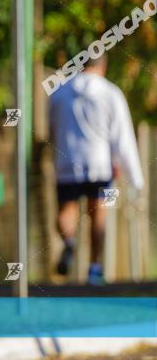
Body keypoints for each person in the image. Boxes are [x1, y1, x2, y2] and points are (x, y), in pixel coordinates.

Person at [49, 54, 144, 285]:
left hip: (67, 163)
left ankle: (69, 244)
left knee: (66, 210)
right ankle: (93, 268)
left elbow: (51, 128)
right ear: (102, 67)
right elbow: (123, 138)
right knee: (99, 213)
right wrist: (135, 179)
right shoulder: (111, 93)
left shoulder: (59, 93)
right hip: (101, 166)